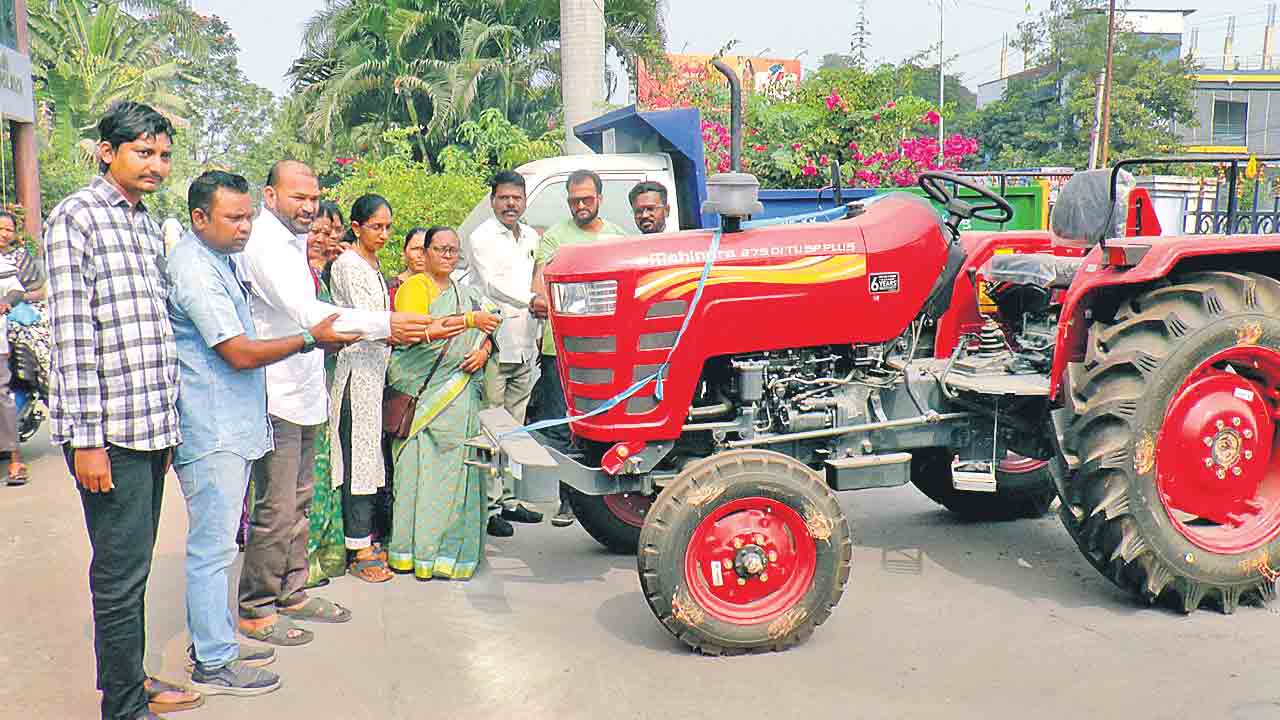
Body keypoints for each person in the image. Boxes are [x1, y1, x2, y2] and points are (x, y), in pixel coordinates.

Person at [168, 171, 358, 697]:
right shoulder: (194, 268)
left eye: (247, 216)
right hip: (213, 426)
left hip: (235, 420)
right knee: (213, 550)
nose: (245, 227)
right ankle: (213, 661)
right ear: (199, 217)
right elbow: (237, 351)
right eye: (233, 217)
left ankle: (217, 644)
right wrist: (308, 339)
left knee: (236, 535)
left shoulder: (221, 260)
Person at [44, 101, 200, 720]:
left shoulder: (143, 221)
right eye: (143, 152)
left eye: (164, 154)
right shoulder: (76, 217)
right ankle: (124, 705)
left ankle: (130, 679)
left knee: (133, 568)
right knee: (119, 573)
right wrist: (87, 440)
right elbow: (73, 336)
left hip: (150, 425)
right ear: (107, 152)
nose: (157, 164)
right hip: (109, 432)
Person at [234, 160, 432, 645]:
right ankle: (256, 608)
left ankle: (292, 592)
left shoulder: (294, 243)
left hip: (306, 392)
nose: (309, 207)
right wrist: (386, 323)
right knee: (277, 508)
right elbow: (310, 315)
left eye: (314, 197)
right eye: (298, 197)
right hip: (276, 394)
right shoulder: (264, 245)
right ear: (270, 196)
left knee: (300, 503)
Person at [389, 226, 500, 579]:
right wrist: (469, 321)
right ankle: (413, 553)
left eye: (453, 250)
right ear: (425, 253)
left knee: (456, 476)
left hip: (459, 399)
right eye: (440, 249)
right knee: (417, 476)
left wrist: (483, 351)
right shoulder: (414, 288)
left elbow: (492, 325)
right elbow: (419, 331)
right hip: (423, 398)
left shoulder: (466, 294)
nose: (448, 255)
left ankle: (451, 555)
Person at [529, 170, 626, 527]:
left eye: (586, 199)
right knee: (562, 426)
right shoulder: (556, 238)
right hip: (562, 351)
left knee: (605, 424)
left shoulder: (618, 238)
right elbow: (540, 292)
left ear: (600, 197)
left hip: (609, 351)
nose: (580, 205)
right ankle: (567, 500)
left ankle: (606, 504)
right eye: (574, 200)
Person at [465, 170, 548, 537]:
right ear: (493, 200)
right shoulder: (482, 236)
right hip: (495, 343)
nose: (510, 204)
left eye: (516, 197)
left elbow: (535, 279)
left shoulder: (530, 236)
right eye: (503, 198)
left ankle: (510, 500)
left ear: (525, 200)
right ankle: (489, 507)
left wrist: (538, 322)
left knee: (516, 428)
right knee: (491, 426)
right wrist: (532, 300)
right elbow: (493, 285)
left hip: (526, 343)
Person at [328, 194, 396, 583]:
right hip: (356, 373)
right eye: (376, 227)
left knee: (370, 459)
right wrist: (413, 328)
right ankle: (357, 547)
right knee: (357, 460)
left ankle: (364, 538)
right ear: (356, 227)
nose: (383, 234)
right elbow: (370, 323)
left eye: (387, 227)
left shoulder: (372, 263)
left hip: (375, 373)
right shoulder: (349, 265)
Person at [303, 201, 349, 587]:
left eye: (330, 231)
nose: (323, 238)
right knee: (306, 477)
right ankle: (302, 563)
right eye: (315, 231)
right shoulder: (295, 276)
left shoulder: (326, 274)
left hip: (325, 384)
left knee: (327, 466)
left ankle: (324, 552)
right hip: (297, 389)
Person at [0, 209, 45, 486]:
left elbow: (19, 289)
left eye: (7, 229)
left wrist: (8, 302)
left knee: (1, 395)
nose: (4, 234)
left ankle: (16, 460)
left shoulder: (12, 260)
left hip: (14, 329)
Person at [387, 226, 429, 308]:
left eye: (425, 250)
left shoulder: (442, 289)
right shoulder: (389, 288)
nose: (420, 255)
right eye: (415, 249)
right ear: (404, 253)